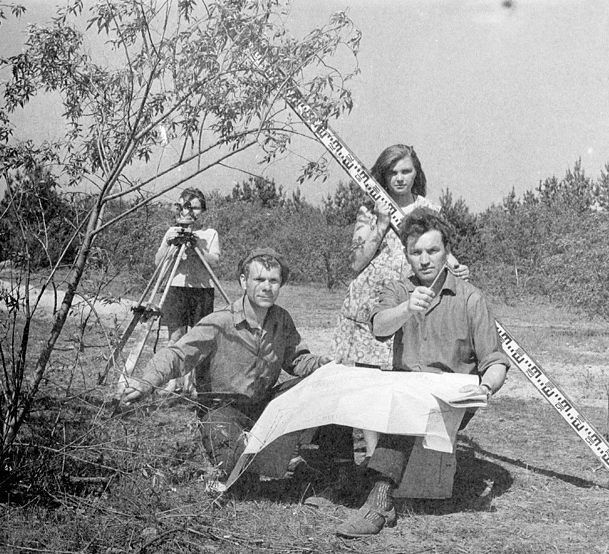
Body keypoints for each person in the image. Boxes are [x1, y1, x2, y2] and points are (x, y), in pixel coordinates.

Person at [335, 208, 510, 538]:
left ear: (447, 250)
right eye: (416, 252)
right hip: (408, 389)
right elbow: (378, 326)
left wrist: (485, 388)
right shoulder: (399, 290)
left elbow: (495, 360)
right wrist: (407, 308)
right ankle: (349, 481)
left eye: (433, 250)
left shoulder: (471, 298)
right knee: (346, 391)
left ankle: (378, 502)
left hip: (454, 396)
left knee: (410, 409)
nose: (425, 260)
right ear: (406, 254)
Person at [119, 247, 331, 487]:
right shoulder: (220, 321)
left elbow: (297, 360)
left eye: (273, 281)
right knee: (235, 470)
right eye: (259, 279)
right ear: (243, 281)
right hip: (222, 409)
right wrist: (148, 380)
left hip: (263, 406)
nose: (266, 287)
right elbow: (178, 354)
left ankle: (328, 469)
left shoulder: (281, 320)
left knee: (323, 387)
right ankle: (271, 458)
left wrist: (325, 365)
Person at [155, 187, 220, 398]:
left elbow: (214, 262)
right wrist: (169, 243)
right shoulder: (171, 232)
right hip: (176, 289)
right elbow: (158, 262)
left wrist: (196, 246)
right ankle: (172, 382)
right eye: (184, 206)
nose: (189, 212)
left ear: (203, 210)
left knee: (198, 338)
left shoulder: (209, 234)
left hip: (201, 290)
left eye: (195, 208)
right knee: (175, 337)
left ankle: (193, 385)